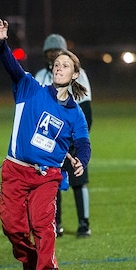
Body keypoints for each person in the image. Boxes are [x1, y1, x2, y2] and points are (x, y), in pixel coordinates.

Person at [0, 17, 91, 270]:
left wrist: (81, 160)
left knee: (43, 227)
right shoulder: (30, 87)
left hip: (47, 176)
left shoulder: (75, 113)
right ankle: (32, 263)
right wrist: (1, 42)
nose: (59, 66)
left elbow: (83, 142)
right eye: (56, 63)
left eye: (65, 65)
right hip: (15, 171)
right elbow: (9, 64)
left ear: (74, 76)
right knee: (12, 227)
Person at [34, 33, 93, 238]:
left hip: (71, 142)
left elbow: (85, 112)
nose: (53, 56)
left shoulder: (78, 74)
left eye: (56, 51)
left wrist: (75, 141)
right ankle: (55, 223)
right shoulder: (41, 76)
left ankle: (84, 223)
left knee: (78, 180)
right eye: (49, 52)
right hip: (50, 144)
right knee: (52, 183)